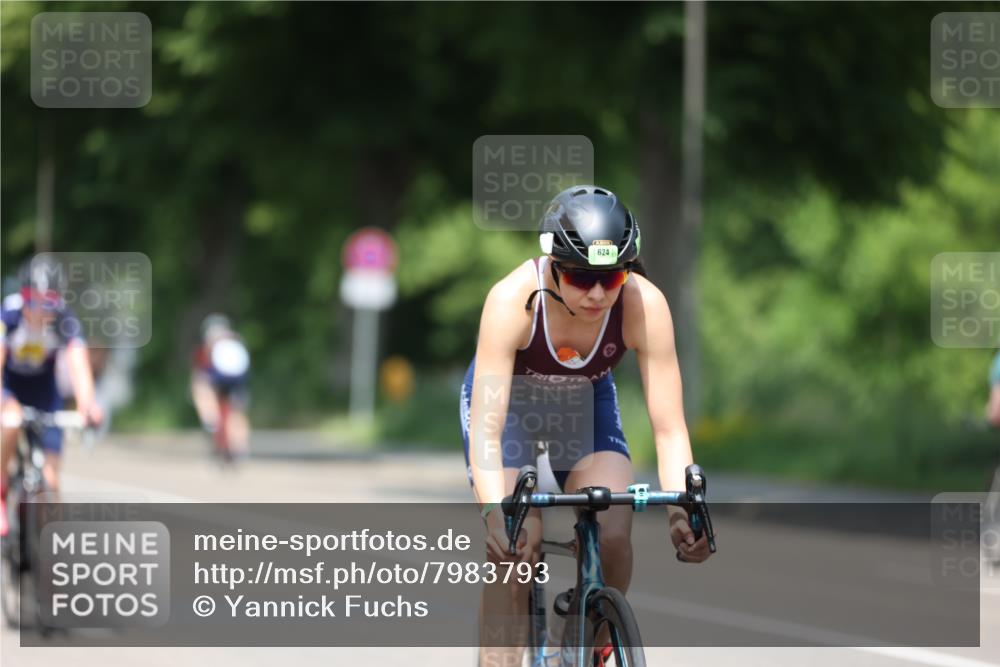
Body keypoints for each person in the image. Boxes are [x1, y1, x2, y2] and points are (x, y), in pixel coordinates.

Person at [460, 185, 711, 666]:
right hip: (510, 410)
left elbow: (669, 428)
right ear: (553, 264)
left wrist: (681, 512)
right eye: (580, 277)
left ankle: (582, 640)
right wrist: (495, 516)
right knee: (518, 545)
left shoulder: (644, 304)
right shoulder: (512, 300)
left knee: (613, 530)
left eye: (611, 276)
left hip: (584, 405)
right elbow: (488, 430)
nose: (597, 294)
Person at [1, 257, 103, 536]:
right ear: (22, 296)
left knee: (51, 479)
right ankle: (1, 489)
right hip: (9, 385)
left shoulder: (65, 321)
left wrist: (87, 405)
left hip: (44, 390)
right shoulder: (8, 315)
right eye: (32, 301)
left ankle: (53, 543)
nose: (39, 311)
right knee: (11, 421)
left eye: (48, 303)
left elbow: (79, 365)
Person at [190, 313, 251, 461]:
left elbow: (200, 372)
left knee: (200, 387)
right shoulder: (237, 340)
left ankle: (209, 418)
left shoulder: (207, 346)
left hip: (217, 381)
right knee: (237, 411)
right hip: (239, 381)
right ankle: (240, 447)